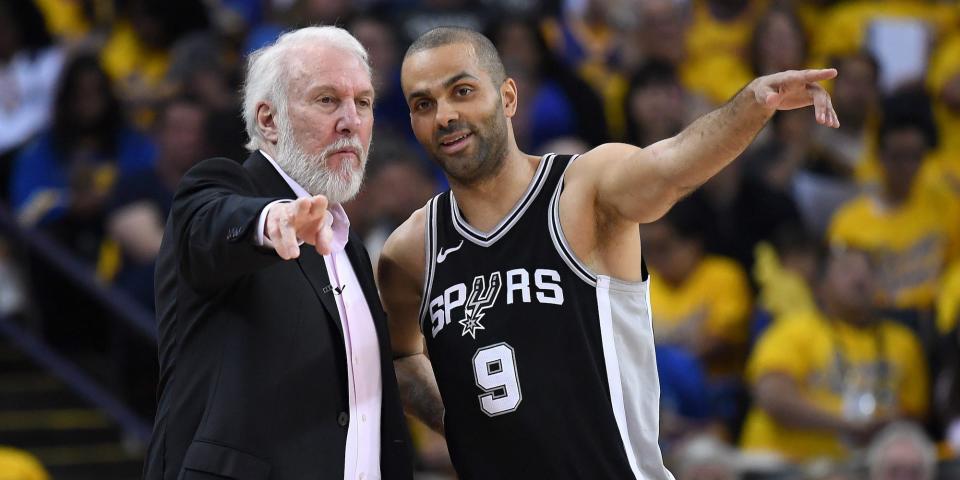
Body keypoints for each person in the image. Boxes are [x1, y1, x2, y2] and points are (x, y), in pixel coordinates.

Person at [377, 26, 839, 479]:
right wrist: (455, 421)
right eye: (424, 104)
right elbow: (399, 359)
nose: (444, 116)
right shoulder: (409, 251)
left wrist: (754, 103)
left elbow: (673, 164)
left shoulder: (584, 189)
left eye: (462, 91)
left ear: (509, 98)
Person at [143, 26, 412, 480]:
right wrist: (270, 222)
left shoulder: (353, 250)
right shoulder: (220, 188)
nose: (351, 121)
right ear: (268, 120)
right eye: (327, 100)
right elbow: (210, 225)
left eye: (362, 102)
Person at [740, 248, 929, 463]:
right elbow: (773, 398)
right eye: (847, 270)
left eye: (869, 271)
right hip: (787, 462)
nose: (860, 278)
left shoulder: (903, 341)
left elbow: (915, 413)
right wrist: (847, 425)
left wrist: (887, 422)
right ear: (820, 288)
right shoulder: (791, 330)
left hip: (868, 465)